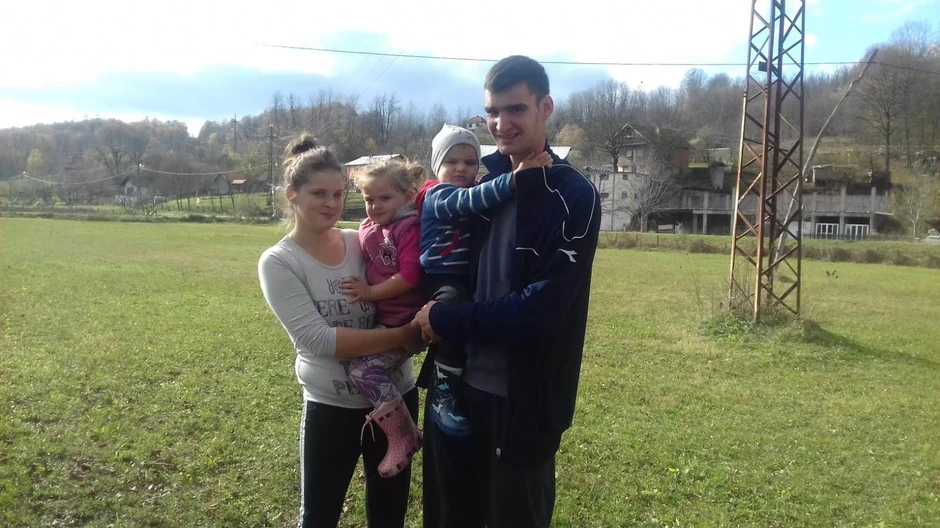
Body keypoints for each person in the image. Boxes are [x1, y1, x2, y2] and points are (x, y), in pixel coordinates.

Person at [412, 55, 602, 528]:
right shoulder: (478, 178)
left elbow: (541, 310)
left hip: (522, 404)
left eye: (516, 109)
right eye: (492, 112)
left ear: (545, 108)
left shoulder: (573, 195)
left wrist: (444, 318)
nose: (501, 123)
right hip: (453, 390)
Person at [257, 134, 422, 528]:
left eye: (337, 194)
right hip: (331, 409)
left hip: (396, 397)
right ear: (292, 194)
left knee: (389, 516)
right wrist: (405, 335)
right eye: (319, 194)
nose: (331, 204)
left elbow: (410, 270)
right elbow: (321, 340)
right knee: (319, 516)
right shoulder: (279, 262)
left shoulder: (360, 240)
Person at [415, 124, 552, 436]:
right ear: (437, 166)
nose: (461, 168)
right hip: (441, 277)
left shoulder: (475, 188)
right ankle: (443, 394)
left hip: (465, 277)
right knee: (451, 317)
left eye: (470, 162)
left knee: (466, 320)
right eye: (451, 161)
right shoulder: (438, 195)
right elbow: (471, 201)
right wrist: (514, 178)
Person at [339, 160, 427, 478]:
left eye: (385, 198)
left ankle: (404, 433)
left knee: (362, 371)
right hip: (385, 321)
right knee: (359, 365)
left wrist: (369, 293)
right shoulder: (369, 226)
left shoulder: (408, 228)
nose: (375, 205)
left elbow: (410, 276)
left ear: (407, 196)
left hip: (404, 322)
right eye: (369, 199)